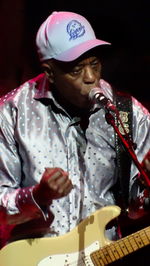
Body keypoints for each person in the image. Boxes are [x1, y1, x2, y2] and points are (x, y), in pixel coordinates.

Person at [0, 10, 150, 263]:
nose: (91, 78)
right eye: (76, 69)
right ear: (49, 72)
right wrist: (37, 196)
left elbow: (135, 209)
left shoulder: (129, 114)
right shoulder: (11, 113)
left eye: (94, 64)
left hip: (104, 256)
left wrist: (146, 191)